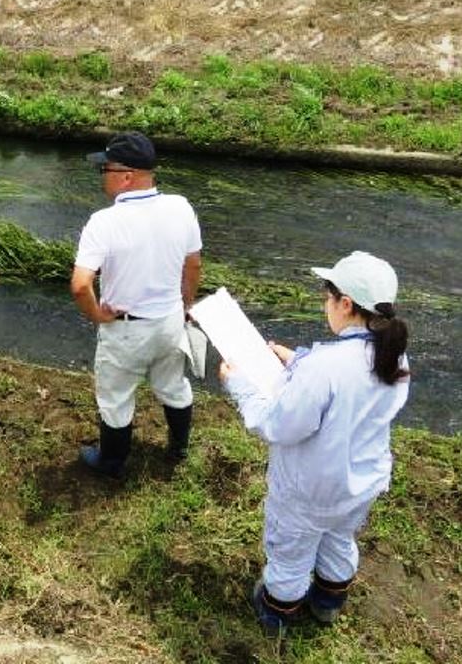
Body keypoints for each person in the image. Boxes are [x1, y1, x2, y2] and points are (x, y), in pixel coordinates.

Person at [219, 251, 410, 635]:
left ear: (345, 303)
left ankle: (276, 612)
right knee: (339, 539)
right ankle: (328, 602)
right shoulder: (393, 356)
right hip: (360, 484)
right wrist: (297, 360)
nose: (326, 304)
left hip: (311, 490)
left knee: (289, 552)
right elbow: (348, 384)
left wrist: (238, 384)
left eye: (327, 296)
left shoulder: (325, 369)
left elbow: (279, 425)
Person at [70, 131, 203, 480]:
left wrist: (98, 314)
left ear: (126, 175)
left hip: (127, 329)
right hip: (170, 320)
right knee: (173, 385)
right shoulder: (181, 207)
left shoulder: (104, 222)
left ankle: (112, 463)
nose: (101, 177)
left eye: (105, 170)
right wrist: (185, 304)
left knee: (115, 397)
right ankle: (178, 447)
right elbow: (194, 265)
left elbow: (81, 284)